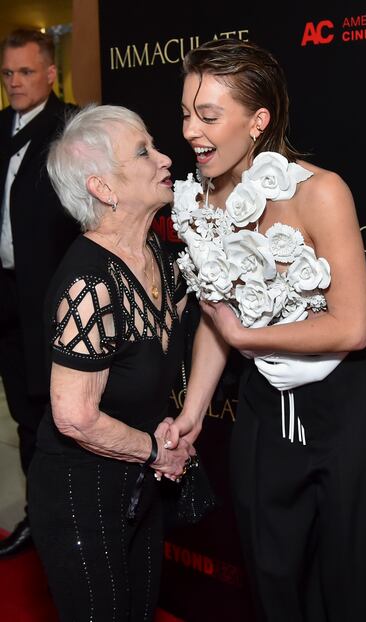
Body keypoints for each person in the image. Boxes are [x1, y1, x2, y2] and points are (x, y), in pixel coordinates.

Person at [168, 38, 366, 622]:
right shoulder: (202, 198)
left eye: (207, 116)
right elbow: (215, 318)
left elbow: (351, 327)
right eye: (184, 113)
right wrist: (193, 415)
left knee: (356, 585)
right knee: (271, 577)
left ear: (258, 120)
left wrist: (247, 338)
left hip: (347, 409)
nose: (190, 131)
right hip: (263, 410)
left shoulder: (322, 192)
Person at [26, 103, 193, 621]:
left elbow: (196, 328)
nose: (166, 158)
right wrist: (155, 450)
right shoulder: (90, 284)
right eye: (144, 151)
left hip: (136, 484)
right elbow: (73, 416)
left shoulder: (158, 258)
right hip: (80, 495)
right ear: (103, 188)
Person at [0, 29, 79, 557]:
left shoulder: (71, 128)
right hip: (5, 297)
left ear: (50, 73)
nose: (14, 82)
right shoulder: (0, 128)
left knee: (63, 418)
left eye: (25, 72)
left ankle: (70, 523)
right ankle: (37, 517)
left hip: (52, 300)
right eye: (7, 74)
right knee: (24, 416)